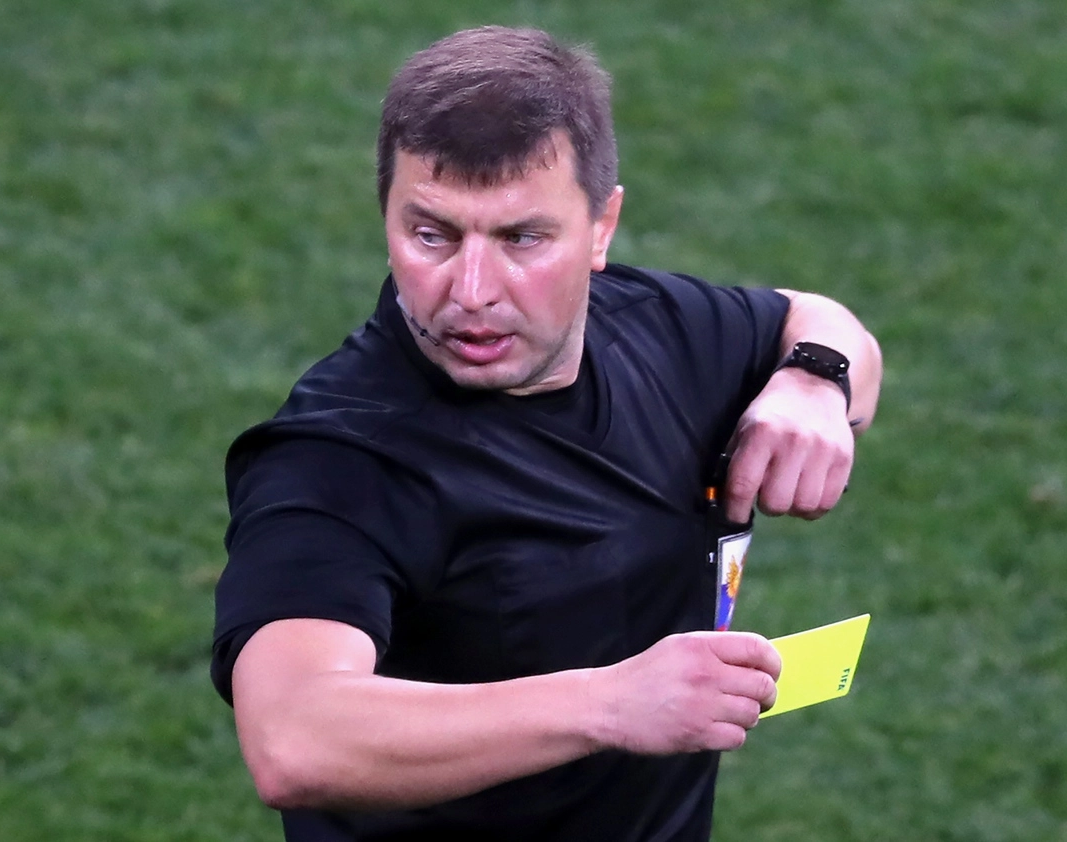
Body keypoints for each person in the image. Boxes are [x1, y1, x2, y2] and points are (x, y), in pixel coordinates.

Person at [211, 25, 882, 842]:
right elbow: (295, 739)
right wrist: (610, 702)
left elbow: (819, 320)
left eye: (522, 238)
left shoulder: (655, 327)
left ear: (601, 227)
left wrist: (814, 380)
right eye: (432, 234)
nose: (472, 291)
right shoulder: (342, 457)